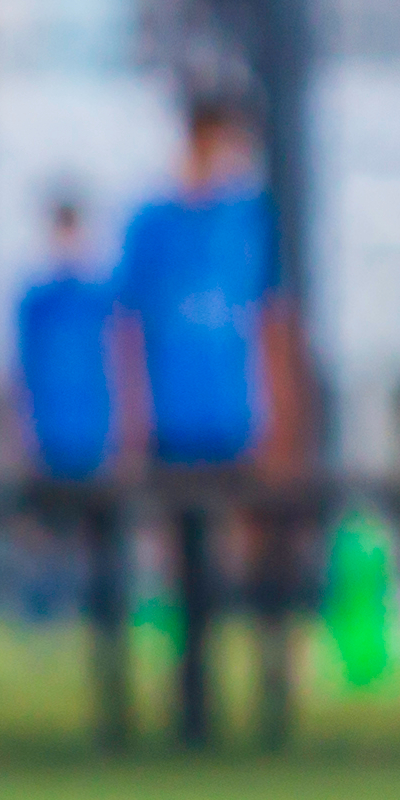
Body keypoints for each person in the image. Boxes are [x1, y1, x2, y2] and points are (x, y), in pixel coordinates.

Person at [100, 75, 312, 605]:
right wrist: (131, 422)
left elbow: (273, 321)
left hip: (240, 420)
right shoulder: (150, 224)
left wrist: (284, 418)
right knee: (185, 564)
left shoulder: (249, 219)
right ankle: (188, 680)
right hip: (175, 423)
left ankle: (273, 678)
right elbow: (126, 329)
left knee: (265, 553)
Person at [7, 188, 125, 489]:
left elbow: (120, 366)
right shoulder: (37, 301)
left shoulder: (102, 297)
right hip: (49, 442)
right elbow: (21, 370)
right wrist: (20, 440)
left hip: (96, 440)